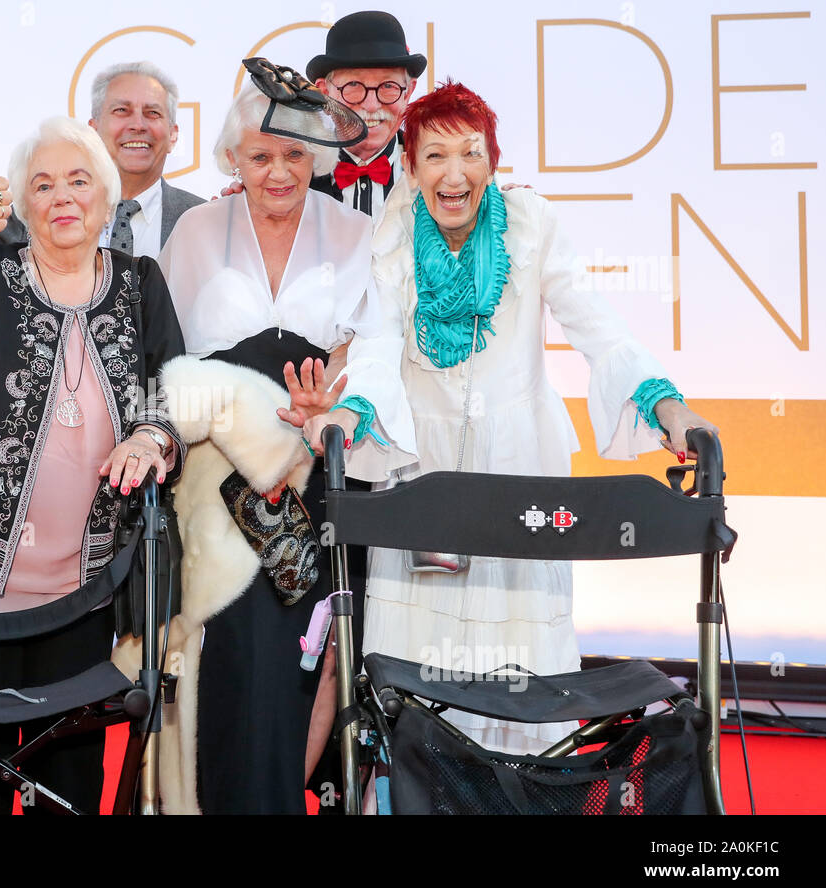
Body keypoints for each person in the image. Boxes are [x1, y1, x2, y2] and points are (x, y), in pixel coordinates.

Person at [304, 81, 720, 755]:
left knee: (522, 677)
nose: (454, 174)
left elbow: (599, 329)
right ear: (410, 167)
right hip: (426, 478)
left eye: (471, 153)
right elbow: (378, 341)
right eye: (434, 156)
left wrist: (665, 404)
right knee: (422, 685)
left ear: (492, 163)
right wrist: (354, 409)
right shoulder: (393, 230)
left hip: (520, 471)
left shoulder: (530, 223)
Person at [0, 116, 186, 813]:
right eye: (43, 184)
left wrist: (150, 438)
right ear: (23, 206)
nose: (62, 197)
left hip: (83, 586)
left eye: (79, 180)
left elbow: (175, 387)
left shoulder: (141, 282)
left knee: (71, 781)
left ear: (108, 195)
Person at [155, 82, 415, 814]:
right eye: (260, 154)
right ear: (233, 156)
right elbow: (165, 361)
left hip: (325, 471)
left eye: (295, 153)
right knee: (235, 659)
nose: (277, 171)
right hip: (222, 486)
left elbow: (371, 350)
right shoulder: (195, 234)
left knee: (321, 659)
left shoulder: (357, 235)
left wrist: (327, 401)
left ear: (319, 155)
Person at [0, 62, 203, 256]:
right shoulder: (32, 213)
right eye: (122, 110)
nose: (138, 125)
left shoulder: (203, 220)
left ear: (173, 135)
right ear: (93, 130)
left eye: (153, 113)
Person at [306, 10, 426, 219]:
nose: (371, 105)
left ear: (408, 92)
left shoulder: (435, 172)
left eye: (388, 85)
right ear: (325, 93)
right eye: (353, 85)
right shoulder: (294, 174)